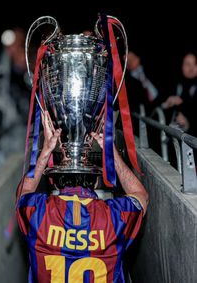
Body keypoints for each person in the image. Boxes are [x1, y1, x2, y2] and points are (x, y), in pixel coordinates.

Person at [16, 112, 149, 282]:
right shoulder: (115, 218)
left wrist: (46, 151)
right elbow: (141, 195)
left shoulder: (39, 213)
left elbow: (22, 194)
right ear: (95, 183)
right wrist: (111, 154)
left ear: (55, 183)